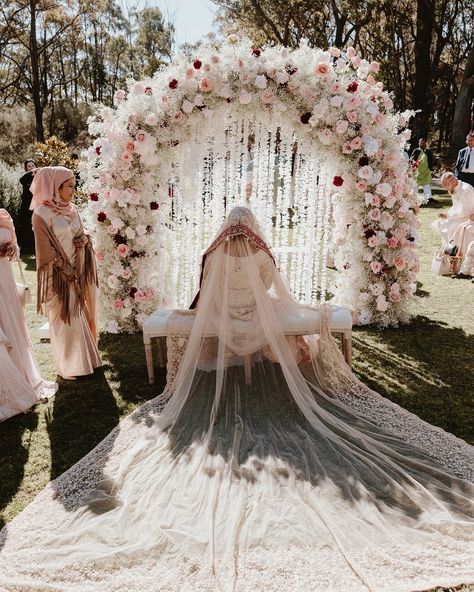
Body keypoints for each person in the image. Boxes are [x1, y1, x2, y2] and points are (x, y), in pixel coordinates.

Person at [0, 207, 473, 591]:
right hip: (257, 318)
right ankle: (285, 368)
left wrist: (227, 307)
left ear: (225, 228)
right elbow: (272, 288)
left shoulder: (212, 256)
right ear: (253, 229)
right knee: (293, 338)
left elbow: (205, 293)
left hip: (224, 320)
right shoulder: (262, 256)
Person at [30, 166, 102, 380]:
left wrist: (84, 240)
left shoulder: (72, 208)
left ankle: (87, 361)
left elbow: (79, 233)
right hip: (58, 274)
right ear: (55, 187)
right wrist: (65, 268)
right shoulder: (41, 214)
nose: (73, 190)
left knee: (80, 314)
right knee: (65, 319)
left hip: (78, 269)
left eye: (74, 185)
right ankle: (70, 367)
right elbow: (45, 250)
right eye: (70, 186)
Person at [0, 209, 56, 421]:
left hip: (5, 276)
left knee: (14, 325)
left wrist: (11, 250)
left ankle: (24, 376)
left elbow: (16, 250)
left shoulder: (4, 216)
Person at [435, 171, 474, 277]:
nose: (447, 188)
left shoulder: (466, 190)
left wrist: (449, 216)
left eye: (447, 185)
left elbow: (466, 211)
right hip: (460, 216)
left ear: (453, 180)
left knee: (451, 227)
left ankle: (457, 264)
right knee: (440, 223)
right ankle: (448, 262)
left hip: (469, 217)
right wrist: (447, 214)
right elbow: (456, 207)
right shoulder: (454, 188)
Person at [17, 159, 37, 254]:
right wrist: (32, 172)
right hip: (26, 206)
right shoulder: (26, 177)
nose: (31, 168)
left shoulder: (39, 177)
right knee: (26, 226)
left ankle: (35, 247)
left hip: (37, 205)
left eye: (33, 165)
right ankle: (25, 248)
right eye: (29, 166)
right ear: (26, 168)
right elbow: (21, 180)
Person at [410, 137, 435, 204]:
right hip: (417, 171)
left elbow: (431, 161)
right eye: (420, 142)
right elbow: (411, 159)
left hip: (426, 170)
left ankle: (429, 198)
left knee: (426, 184)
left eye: (423, 143)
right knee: (415, 184)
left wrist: (431, 169)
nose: (421, 144)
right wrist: (413, 166)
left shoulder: (428, 152)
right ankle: (413, 198)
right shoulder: (416, 150)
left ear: (426, 144)